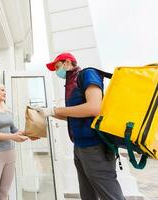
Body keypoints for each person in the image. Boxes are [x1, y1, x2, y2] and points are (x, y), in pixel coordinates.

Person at [37, 53, 125, 200]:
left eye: (57, 67)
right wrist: (48, 112)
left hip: (95, 147)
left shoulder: (87, 74)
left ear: (67, 63)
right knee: (88, 195)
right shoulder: (70, 84)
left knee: (110, 195)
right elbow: (74, 115)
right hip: (79, 147)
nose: (56, 71)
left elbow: (94, 108)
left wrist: (55, 110)